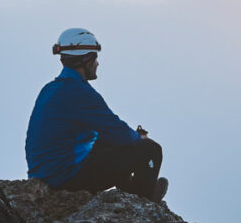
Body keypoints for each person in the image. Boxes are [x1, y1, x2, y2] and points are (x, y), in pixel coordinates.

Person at [25, 27, 167, 201]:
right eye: (95, 58)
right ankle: (143, 200)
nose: (97, 64)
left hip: (45, 173)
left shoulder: (51, 88)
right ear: (86, 59)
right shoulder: (79, 92)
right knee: (151, 149)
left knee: (107, 142)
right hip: (64, 178)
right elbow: (116, 130)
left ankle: (130, 190)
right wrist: (140, 138)